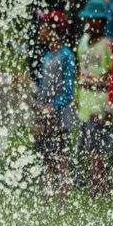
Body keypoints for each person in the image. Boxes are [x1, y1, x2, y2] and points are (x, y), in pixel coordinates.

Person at [76, 0, 113, 196]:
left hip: (100, 102)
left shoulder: (109, 46)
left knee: (98, 150)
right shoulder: (83, 43)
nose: (91, 22)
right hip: (85, 105)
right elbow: (81, 73)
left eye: (95, 19)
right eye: (89, 18)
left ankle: (100, 188)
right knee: (89, 149)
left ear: (103, 22)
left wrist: (109, 108)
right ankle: (93, 185)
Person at [34, 11, 76, 197]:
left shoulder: (66, 55)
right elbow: (44, 87)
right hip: (46, 111)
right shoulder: (47, 57)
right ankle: (47, 188)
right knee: (46, 150)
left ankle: (64, 189)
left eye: (43, 27)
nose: (40, 30)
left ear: (53, 30)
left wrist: (54, 106)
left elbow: (68, 90)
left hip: (61, 112)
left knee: (60, 150)